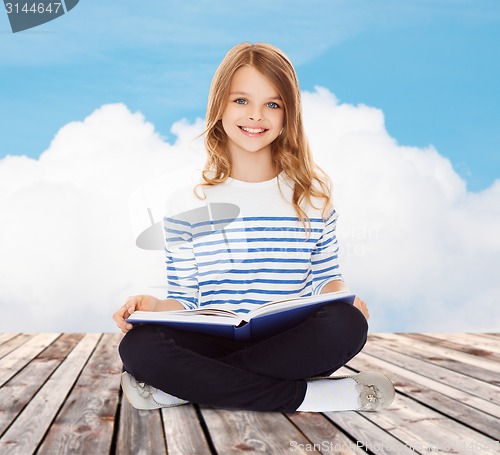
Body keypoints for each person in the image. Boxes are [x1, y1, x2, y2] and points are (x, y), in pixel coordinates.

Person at [113, 42, 395, 413]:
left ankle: (180, 390)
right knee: (138, 347)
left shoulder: (313, 197)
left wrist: (345, 297)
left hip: (287, 344)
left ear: (287, 115)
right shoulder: (186, 202)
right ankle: (314, 396)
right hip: (211, 344)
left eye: (272, 104)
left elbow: (326, 277)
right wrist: (150, 306)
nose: (256, 116)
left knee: (346, 324)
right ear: (220, 106)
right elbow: (184, 298)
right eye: (241, 101)